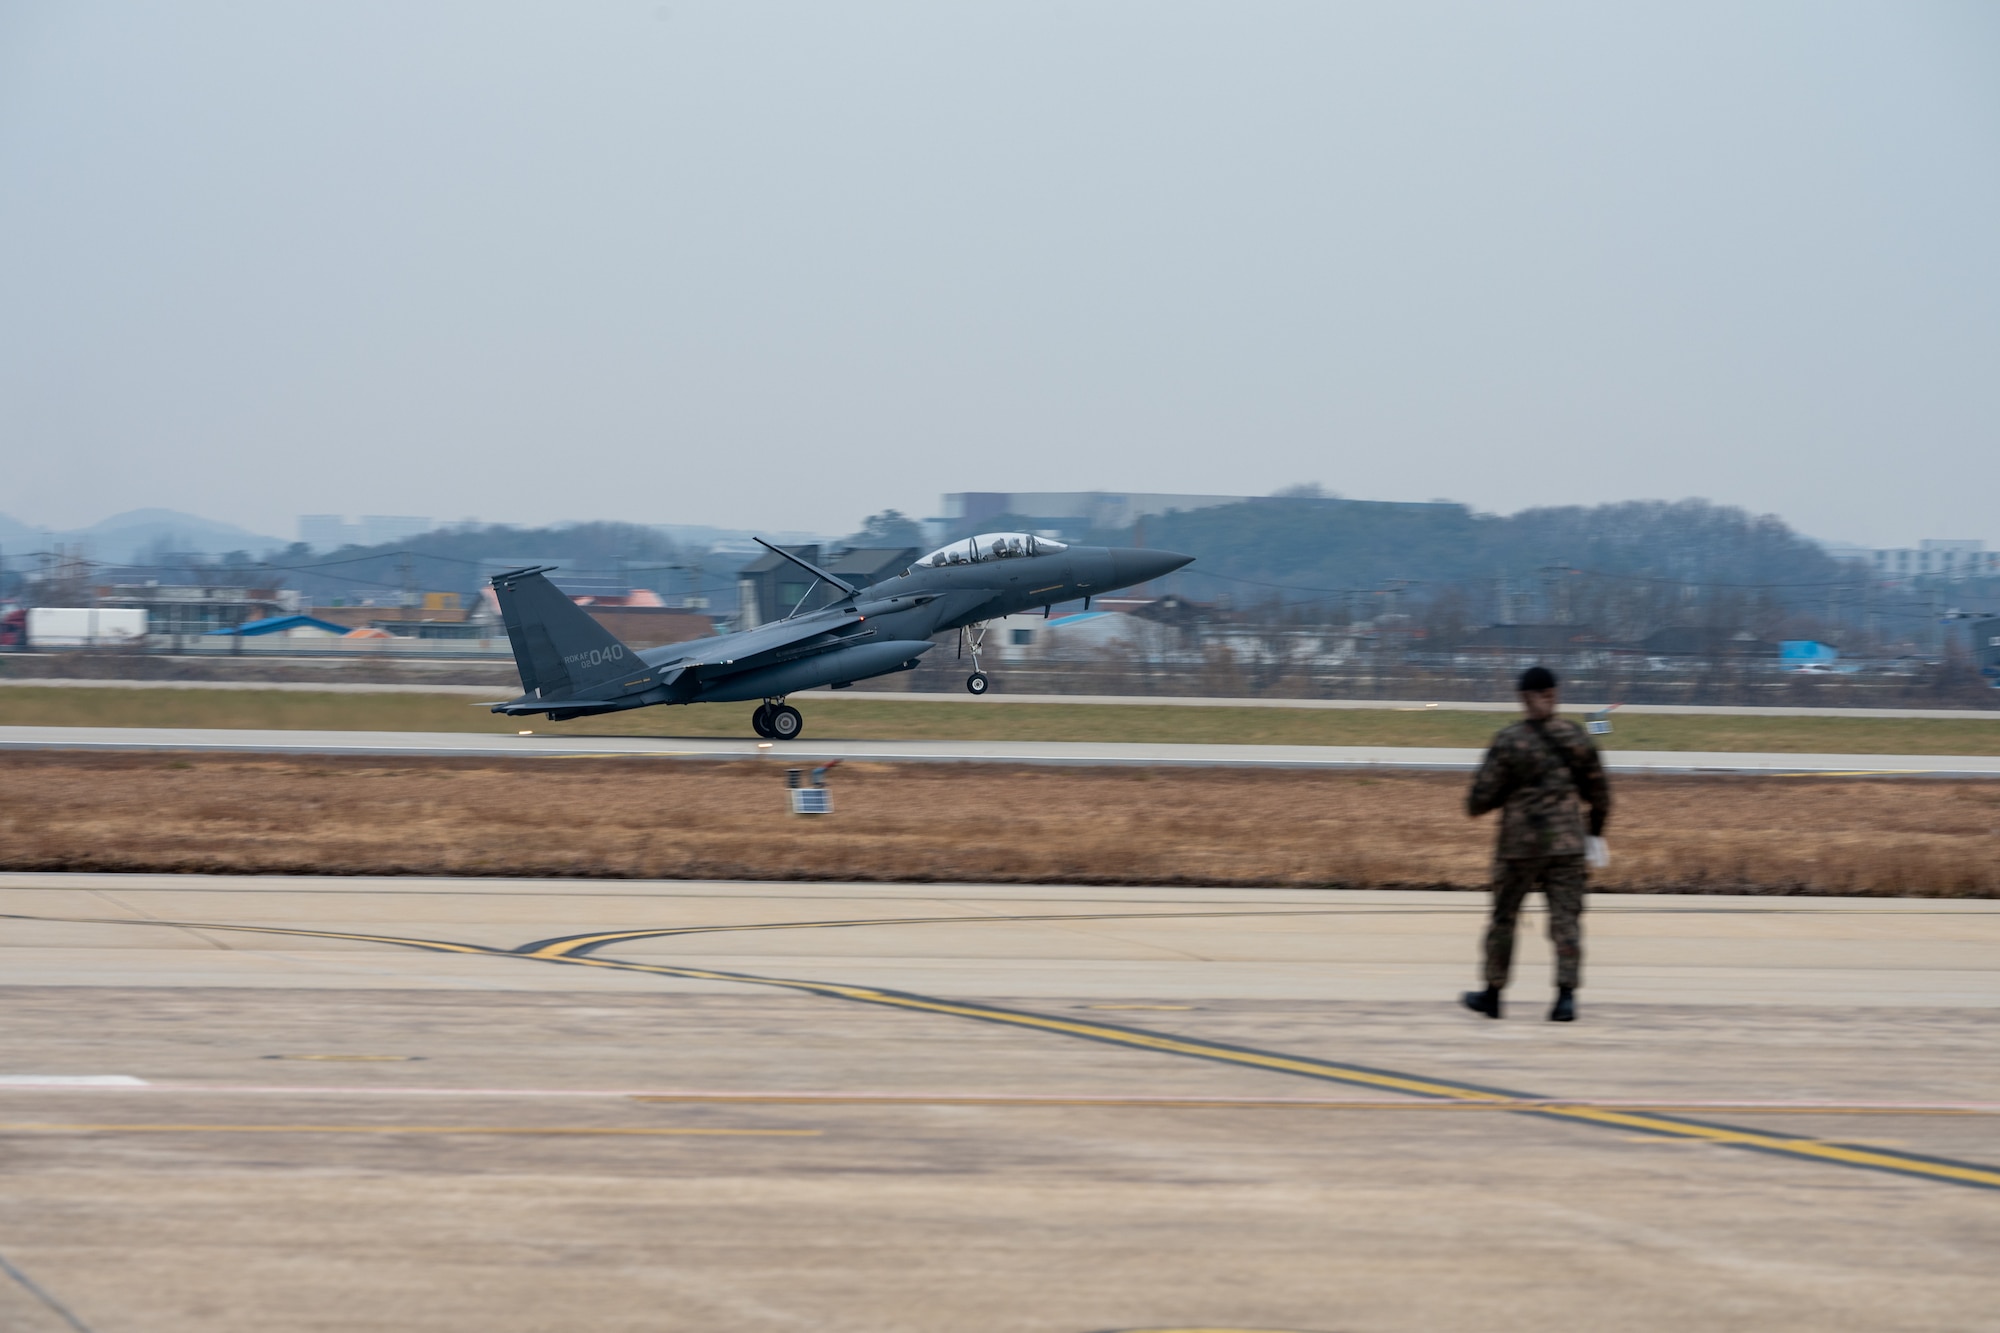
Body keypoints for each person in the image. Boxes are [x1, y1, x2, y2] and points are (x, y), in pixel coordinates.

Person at [1461, 665, 1611, 1022]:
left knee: (1504, 919)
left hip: (1519, 848)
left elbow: (1477, 801)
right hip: (1567, 847)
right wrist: (1594, 834)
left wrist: (1509, 794)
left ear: (1525, 698)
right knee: (1566, 923)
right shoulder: (1577, 739)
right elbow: (1601, 795)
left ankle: (1493, 994)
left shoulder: (1510, 740)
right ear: (1554, 694)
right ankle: (1565, 998)